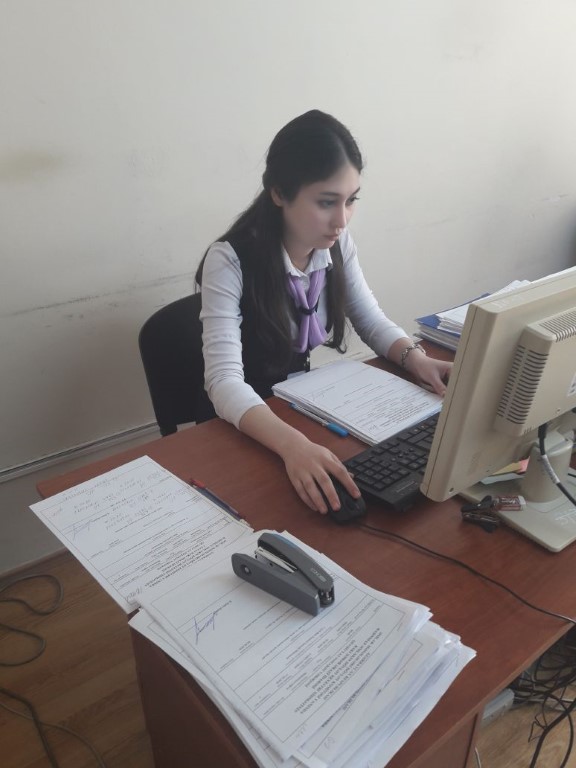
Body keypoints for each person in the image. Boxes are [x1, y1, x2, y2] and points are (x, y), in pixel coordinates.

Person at [195, 109, 452, 516]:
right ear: (279, 193)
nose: (341, 220)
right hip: (247, 421)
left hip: (297, 403)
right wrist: (293, 446)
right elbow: (223, 381)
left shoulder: (335, 243)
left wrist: (414, 358)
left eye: (351, 201)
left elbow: (368, 318)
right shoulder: (230, 260)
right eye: (327, 202)